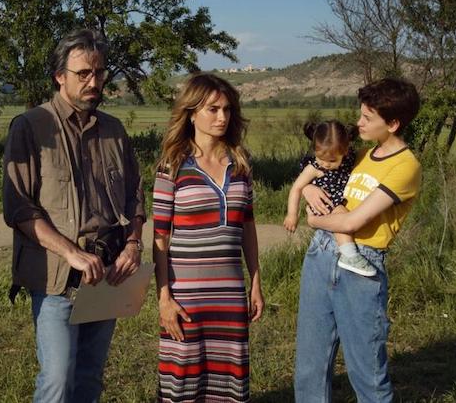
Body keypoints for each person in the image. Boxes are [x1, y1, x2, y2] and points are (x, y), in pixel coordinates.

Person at [2, 28, 146, 402]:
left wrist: (133, 243)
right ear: (59, 76)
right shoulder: (31, 126)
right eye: (83, 73)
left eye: (99, 73)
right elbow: (18, 207)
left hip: (108, 273)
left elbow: (134, 194)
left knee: (89, 378)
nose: (93, 82)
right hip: (57, 277)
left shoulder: (114, 130)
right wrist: (71, 252)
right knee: (57, 380)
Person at [294, 78, 421, 402]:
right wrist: (307, 188)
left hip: (361, 265)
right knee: (310, 366)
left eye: (367, 117)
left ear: (393, 124)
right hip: (321, 255)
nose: (358, 122)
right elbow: (319, 169)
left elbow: (353, 221)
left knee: (367, 372)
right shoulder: (360, 154)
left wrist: (313, 219)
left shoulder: (405, 166)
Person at [153, 73, 264, 403]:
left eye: (227, 109)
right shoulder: (172, 165)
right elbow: (160, 238)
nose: (222, 117)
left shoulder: (240, 164)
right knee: (183, 385)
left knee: (228, 384)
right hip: (187, 298)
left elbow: (247, 228)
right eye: (212, 109)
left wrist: (255, 282)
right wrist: (164, 298)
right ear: (191, 113)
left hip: (229, 295)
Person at [283, 120, 375, 276]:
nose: (325, 164)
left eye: (332, 161)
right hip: (324, 203)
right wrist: (292, 214)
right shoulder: (314, 167)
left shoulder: (350, 158)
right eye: (320, 158)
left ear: (345, 151)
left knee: (343, 213)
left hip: (338, 200)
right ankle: (349, 255)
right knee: (342, 216)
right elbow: (296, 188)